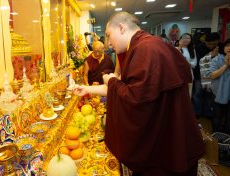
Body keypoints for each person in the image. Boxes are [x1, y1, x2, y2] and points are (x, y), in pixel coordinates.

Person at [74, 11, 204, 176]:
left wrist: (111, 81)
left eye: (108, 35)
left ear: (121, 28)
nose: (108, 43)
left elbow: (134, 98)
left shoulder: (145, 48)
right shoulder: (143, 46)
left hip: (164, 142)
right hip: (165, 129)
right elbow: (128, 88)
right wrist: (87, 89)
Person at [192, 32, 220, 117]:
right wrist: (211, 55)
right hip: (199, 76)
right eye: (209, 44)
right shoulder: (199, 48)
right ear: (205, 42)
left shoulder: (219, 47)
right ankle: (197, 112)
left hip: (213, 77)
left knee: (209, 96)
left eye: (214, 44)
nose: (211, 46)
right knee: (198, 95)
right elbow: (198, 62)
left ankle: (207, 113)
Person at [208, 39, 230, 133]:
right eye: (227, 45)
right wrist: (226, 65)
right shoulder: (216, 59)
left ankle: (227, 138)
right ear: (223, 47)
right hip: (217, 93)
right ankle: (217, 136)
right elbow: (212, 75)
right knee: (217, 116)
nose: (229, 47)